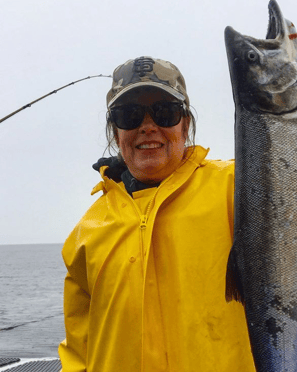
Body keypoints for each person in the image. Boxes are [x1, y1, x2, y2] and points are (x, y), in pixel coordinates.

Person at [58, 56, 256, 371]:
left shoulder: (242, 187)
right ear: (115, 130)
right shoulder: (86, 232)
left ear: (186, 124)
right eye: (130, 115)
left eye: (165, 112)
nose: (148, 127)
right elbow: (78, 354)